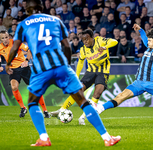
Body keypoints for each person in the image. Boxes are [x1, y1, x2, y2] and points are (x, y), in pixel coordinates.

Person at [6, 0, 121, 147]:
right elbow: (67, 46)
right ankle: (107, 138)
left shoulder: (24, 24)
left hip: (42, 67)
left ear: (26, 9)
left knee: (33, 102)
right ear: (42, 8)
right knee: (83, 101)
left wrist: (8, 64)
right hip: (60, 65)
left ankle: (44, 137)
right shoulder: (56, 20)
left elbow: (15, 48)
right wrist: (65, 66)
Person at [50, 29, 118, 126]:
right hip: (90, 72)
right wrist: (76, 76)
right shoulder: (82, 50)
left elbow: (115, 41)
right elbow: (81, 62)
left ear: (92, 37)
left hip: (103, 72)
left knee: (97, 93)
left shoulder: (100, 41)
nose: (85, 41)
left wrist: (105, 46)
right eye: (83, 40)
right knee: (79, 90)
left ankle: (83, 117)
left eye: (86, 39)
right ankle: (62, 109)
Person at [0, 30, 50, 118]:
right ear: (0, 39)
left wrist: (27, 60)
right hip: (13, 70)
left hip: (24, 68)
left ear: (9, 37)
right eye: (3, 38)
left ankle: (45, 111)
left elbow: (29, 50)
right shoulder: (0, 47)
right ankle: (23, 108)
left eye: (6, 37)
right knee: (14, 87)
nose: (5, 39)